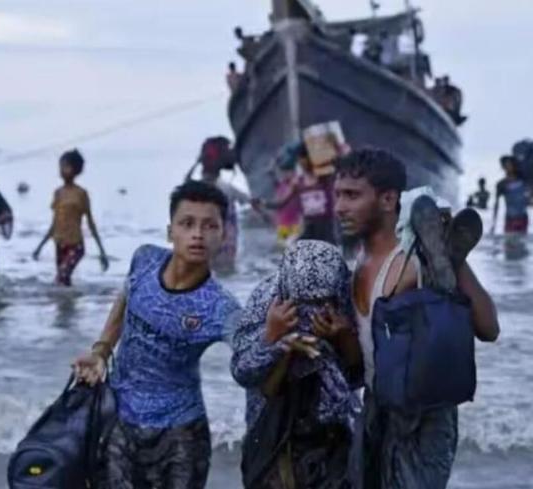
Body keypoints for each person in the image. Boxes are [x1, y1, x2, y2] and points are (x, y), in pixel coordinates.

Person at [333, 148, 499, 489]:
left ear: (388, 199)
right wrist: (340, 335)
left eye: (352, 195)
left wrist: (453, 263)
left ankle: (448, 270)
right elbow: (363, 361)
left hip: (425, 416)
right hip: (376, 407)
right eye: (337, 195)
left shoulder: (416, 259)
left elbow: (489, 328)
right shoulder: (357, 264)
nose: (339, 207)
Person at [73, 181, 241, 489]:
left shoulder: (221, 307)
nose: (198, 234)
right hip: (119, 422)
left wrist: (276, 337)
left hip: (180, 438)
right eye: (187, 223)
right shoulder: (145, 259)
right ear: (170, 231)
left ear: (223, 235)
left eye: (209, 226)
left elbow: (251, 354)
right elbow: (126, 298)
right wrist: (101, 351)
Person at [231, 240, 362, 488]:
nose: (313, 311)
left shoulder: (346, 301)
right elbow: (243, 372)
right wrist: (272, 338)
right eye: (303, 303)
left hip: (332, 435)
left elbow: (362, 375)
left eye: (322, 301)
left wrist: (344, 337)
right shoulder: (265, 303)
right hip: (273, 433)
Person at [32, 149, 109, 286]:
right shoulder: (58, 193)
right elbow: (54, 223)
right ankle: (70, 300)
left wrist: (102, 251)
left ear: (76, 169)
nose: (61, 170)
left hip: (76, 245)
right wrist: (40, 246)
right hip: (59, 243)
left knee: (62, 276)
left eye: (65, 166)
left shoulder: (81, 194)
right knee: (63, 281)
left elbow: (90, 223)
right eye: (60, 166)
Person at [266, 145, 338, 245]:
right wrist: (263, 203)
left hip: (325, 229)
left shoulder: (324, 179)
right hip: (306, 228)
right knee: (290, 246)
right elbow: (281, 203)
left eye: (305, 160)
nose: (303, 163)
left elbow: (335, 166)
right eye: (300, 161)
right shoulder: (298, 183)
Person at [200, 164, 253, 272]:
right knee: (225, 264)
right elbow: (246, 199)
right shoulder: (226, 187)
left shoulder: (200, 190)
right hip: (226, 233)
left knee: (214, 264)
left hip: (218, 233)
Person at [492, 155, 529, 235]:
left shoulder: (523, 181)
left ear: (514, 165)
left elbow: (528, 197)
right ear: (503, 167)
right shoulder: (501, 184)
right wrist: (493, 224)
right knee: (509, 241)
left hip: (523, 217)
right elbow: (496, 205)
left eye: (510, 164)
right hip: (510, 219)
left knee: (522, 241)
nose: (508, 167)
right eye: (506, 165)